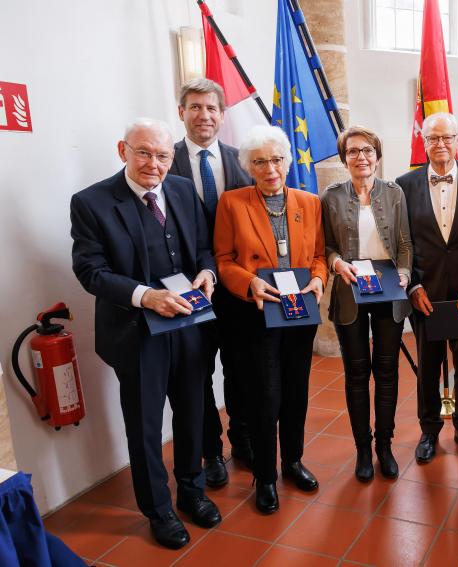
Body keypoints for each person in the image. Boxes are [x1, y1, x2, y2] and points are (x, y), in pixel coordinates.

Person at [70, 118, 221, 549]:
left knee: (193, 412)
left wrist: (207, 272)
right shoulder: (91, 202)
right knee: (145, 426)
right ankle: (158, 509)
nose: (153, 164)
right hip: (136, 334)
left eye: (162, 155)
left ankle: (192, 491)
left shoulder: (180, 190)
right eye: (143, 153)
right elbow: (90, 271)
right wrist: (145, 296)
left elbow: (204, 246)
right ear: (123, 150)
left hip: (190, 325)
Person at [214, 125, 327, 514]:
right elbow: (224, 261)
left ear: (287, 161)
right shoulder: (232, 203)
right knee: (265, 395)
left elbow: (318, 256)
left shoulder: (310, 202)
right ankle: (265, 475)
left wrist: (317, 278)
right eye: (259, 161)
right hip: (257, 312)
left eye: (276, 159)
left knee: (297, 390)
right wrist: (249, 285)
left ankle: (293, 461)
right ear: (249, 166)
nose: (270, 168)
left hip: (299, 312)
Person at [395, 112, 458, 465]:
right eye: (432, 138)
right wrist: (414, 287)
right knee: (428, 365)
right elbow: (402, 241)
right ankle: (429, 430)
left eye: (446, 137)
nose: (440, 144)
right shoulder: (403, 185)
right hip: (426, 295)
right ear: (423, 143)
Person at [169, 78, 253, 487]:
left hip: (237, 288)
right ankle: (211, 451)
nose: (204, 115)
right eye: (195, 107)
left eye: (212, 108)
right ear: (181, 112)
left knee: (240, 369)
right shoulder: (166, 161)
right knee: (197, 375)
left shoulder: (243, 160)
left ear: (222, 114)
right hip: (189, 291)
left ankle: (243, 439)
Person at [322, 126, 413, 482]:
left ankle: (385, 446)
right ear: (345, 158)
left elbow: (405, 243)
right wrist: (335, 263)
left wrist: (405, 273)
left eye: (368, 150)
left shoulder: (394, 193)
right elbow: (326, 245)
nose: (361, 157)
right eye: (353, 151)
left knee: (387, 371)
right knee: (357, 373)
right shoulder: (330, 197)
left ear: (377, 155)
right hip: (350, 292)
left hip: (389, 290)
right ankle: (363, 448)